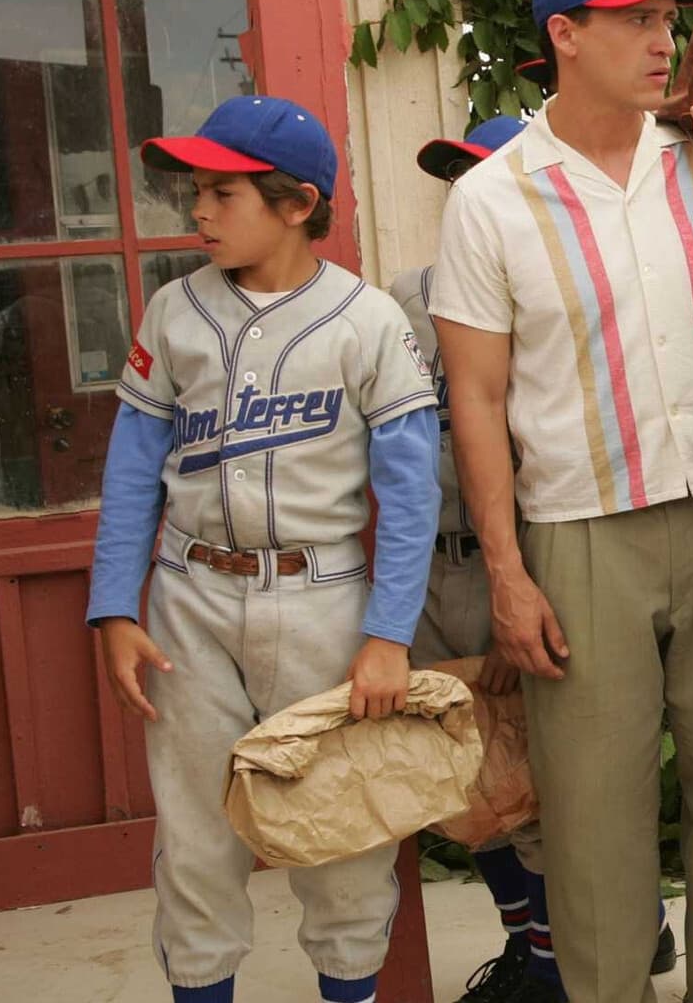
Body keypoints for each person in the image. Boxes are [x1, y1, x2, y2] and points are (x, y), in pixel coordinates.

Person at [426, 0, 693, 1000]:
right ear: (566, 34)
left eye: (668, 19)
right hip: (580, 534)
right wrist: (506, 572)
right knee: (592, 808)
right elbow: (476, 401)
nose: (664, 41)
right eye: (637, 20)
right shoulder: (491, 199)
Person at [85, 95, 441, 1003]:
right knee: (197, 841)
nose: (198, 210)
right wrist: (115, 606)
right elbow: (132, 469)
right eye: (196, 191)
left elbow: (410, 494)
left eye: (223, 193)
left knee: (342, 835)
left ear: (297, 203)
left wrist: (389, 634)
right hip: (191, 595)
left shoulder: (368, 319)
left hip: (323, 599)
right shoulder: (174, 310)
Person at [400, 114, 681, 1001]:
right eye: (457, 177)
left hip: (532, 550)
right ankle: (532, 943)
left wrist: (517, 577)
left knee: (553, 781)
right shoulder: (403, 301)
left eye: (483, 174)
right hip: (436, 562)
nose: (467, 194)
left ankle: (585, 952)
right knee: (466, 780)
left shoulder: (561, 285)